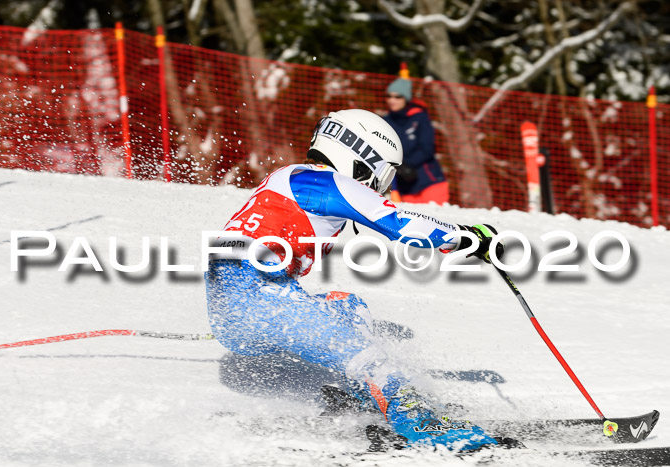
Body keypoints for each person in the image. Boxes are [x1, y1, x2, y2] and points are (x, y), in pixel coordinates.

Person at [205, 109, 503, 451]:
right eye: (385, 175)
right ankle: (419, 422)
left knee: (349, 307)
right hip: (260, 297)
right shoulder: (323, 181)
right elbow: (398, 222)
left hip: (242, 301)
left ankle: (373, 397)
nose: (382, 187)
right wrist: (467, 237)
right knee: (368, 354)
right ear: (364, 158)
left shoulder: (291, 177)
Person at [383, 78, 449, 204]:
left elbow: (427, 148)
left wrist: (406, 164)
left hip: (429, 181)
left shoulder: (420, 117)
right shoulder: (385, 121)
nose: (392, 100)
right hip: (404, 187)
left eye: (398, 97)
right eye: (389, 96)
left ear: (406, 98)